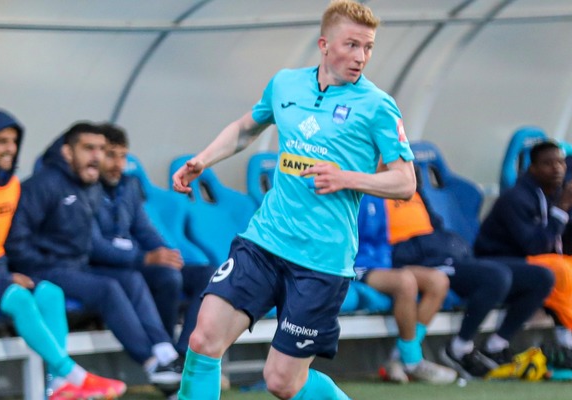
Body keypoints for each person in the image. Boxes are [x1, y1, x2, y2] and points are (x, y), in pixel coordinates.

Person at [172, 1, 416, 398]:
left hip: (322, 260)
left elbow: (405, 182)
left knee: (282, 383)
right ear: (324, 44)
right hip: (264, 241)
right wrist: (203, 159)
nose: (361, 57)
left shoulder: (377, 106)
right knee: (202, 340)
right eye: (351, 45)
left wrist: (345, 177)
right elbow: (246, 128)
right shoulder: (285, 84)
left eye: (368, 47)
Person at [4, 122, 184, 389]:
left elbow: (96, 240)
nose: (96, 156)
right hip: (43, 269)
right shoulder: (42, 185)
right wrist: (41, 263)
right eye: (88, 148)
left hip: (76, 266)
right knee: (107, 288)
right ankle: (150, 362)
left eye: (100, 149)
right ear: (68, 152)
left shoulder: (89, 185)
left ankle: (165, 352)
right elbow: (15, 241)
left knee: (132, 279)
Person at [0, 109, 126, 399]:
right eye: (1, 141)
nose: (10, 148)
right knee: (19, 299)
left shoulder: (12, 185)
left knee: (51, 293)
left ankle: (57, 386)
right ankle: (76, 375)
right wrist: (4, 277)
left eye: (13, 141)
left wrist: (6, 272)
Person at [91, 123, 228, 388]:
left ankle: (184, 355)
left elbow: (144, 229)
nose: (117, 164)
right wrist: (144, 259)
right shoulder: (86, 189)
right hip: (115, 267)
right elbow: (93, 247)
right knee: (167, 277)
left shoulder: (128, 186)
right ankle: (167, 359)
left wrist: (164, 251)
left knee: (210, 275)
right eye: (110, 155)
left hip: (139, 262)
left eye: (122, 156)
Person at [387, 187, 555, 380]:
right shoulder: (374, 191)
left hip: (451, 255)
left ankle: (495, 347)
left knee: (542, 277)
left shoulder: (412, 187)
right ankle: (458, 348)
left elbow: (435, 225)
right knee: (497, 277)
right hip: (422, 261)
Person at [474, 140, 572, 375]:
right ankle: (566, 349)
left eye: (560, 162)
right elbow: (535, 247)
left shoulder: (558, 193)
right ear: (532, 168)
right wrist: (562, 209)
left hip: (534, 263)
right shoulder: (516, 198)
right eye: (548, 164)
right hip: (498, 261)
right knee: (557, 271)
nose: (557, 168)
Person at [354, 195, 457, 384]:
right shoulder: (350, 192)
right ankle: (412, 361)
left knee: (438, 281)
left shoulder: (378, 196)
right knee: (405, 282)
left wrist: (388, 262)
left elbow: (382, 240)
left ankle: (400, 356)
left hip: (383, 264)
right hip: (357, 265)